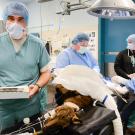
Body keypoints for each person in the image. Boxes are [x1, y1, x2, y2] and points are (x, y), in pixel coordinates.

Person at [0, 2, 51, 132]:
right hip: (4, 109)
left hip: (30, 106)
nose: (15, 23)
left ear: (26, 22)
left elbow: (46, 72)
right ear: (6, 20)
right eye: (11, 18)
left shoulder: (37, 44)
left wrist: (38, 86)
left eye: (20, 19)